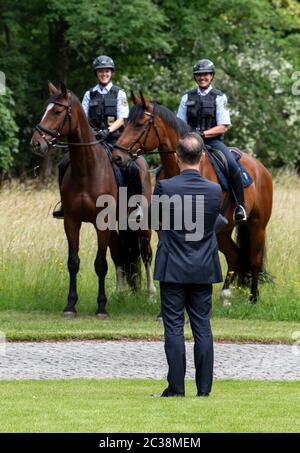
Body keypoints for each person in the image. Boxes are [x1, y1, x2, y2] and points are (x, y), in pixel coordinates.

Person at [152, 133, 223, 397]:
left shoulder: (165, 187)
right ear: (202, 156)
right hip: (204, 267)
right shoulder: (215, 190)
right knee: (202, 327)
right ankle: (204, 390)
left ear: (176, 157)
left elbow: (155, 221)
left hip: (172, 268)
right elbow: (213, 223)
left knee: (173, 328)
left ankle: (176, 388)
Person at [53, 55, 141, 218]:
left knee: (133, 168)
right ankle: (65, 204)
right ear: (97, 73)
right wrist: (91, 133)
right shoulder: (89, 94)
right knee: (63, 163)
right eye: (101, 71)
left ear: (111, 73)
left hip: (114, 139)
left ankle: (135, 205)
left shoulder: (119, 93)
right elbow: (82, 118)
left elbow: (122, 118)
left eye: (107, 71)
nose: (104, 74)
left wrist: (107, 131)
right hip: (92, 139)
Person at [177, 59, 247, 223]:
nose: (203, 77)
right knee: (165, 166)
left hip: (213, 143)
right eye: (199, 75)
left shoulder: (219, 97)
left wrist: (202, 134)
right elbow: (179, 125)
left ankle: (240, 206)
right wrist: (189, 137)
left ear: (212, 76)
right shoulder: (186, 97)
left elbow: (222, 126)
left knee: (232, 166)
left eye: (206, 74)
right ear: (195, 77)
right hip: (189, 142)